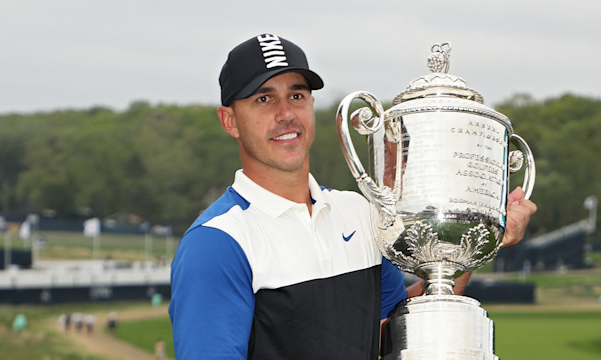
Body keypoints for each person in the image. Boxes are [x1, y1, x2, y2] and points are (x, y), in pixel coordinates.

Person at [168, 33, 537, 359]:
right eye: (264, 99)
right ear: (229, 120)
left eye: (297, 95)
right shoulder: (218, 242)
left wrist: (468, 242)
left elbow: (390, 331)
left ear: (312, 106)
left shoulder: (359, 213)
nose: (286, 114)